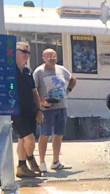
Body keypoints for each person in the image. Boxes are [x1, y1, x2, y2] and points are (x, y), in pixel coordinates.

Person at [34, 49, 77, 172]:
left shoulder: (61, 69)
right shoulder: (39, 72)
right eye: (48, 56)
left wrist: (68, 91)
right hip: (47, 109)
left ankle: (56, 161)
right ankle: (42, 162)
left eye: (54, 55)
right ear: (43, 58)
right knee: (44, 135)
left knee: (58, 135)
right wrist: (41, 102)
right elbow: (34, 89)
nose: (52, 58)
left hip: (61, 107)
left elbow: (73, 79)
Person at [12, 42, 44, 178]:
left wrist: (39, 109)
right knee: (29, 138)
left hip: (29, 109)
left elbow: (34, 91)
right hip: (15, 110)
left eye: (28, 53)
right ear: (15, 52)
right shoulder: (9, 70)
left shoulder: (28, 71)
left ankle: (21, 166)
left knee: (22, 140)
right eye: (23, 52)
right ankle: (31, 159)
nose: (26, 55)